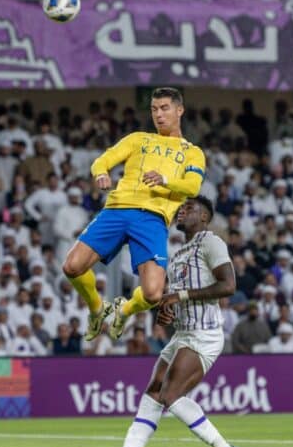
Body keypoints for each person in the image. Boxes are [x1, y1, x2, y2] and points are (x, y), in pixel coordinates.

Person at [88, 197, 243, 447]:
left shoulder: (211, 241)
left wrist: (179, 295)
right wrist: (168, 310)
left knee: (170, 396)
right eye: (181, 208)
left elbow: (228, 285)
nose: (182, 211)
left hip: (204, 333)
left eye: (190, 208)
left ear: (205, 217)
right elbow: (177, 300)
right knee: (153, 393)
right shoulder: (179, 254)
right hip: (182, 332)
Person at [61, 87, 205, 342]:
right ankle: (97, 308)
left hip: (153, 218)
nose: (158, 115)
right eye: (154, 109)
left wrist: (164, 180)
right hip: (117, 210)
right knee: (72, 267)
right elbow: (102, 161)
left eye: (164, 108)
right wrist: (102, 174)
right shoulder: (139, 139)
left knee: (152, 294)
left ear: (179, 110)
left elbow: (193, 186)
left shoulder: (192, 152)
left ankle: (124, 310)